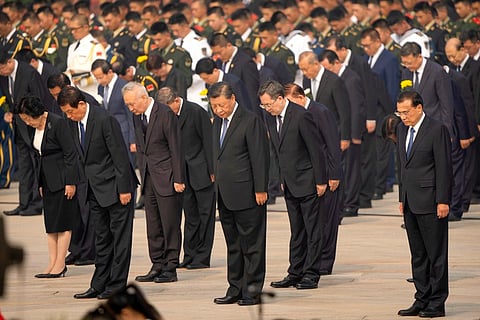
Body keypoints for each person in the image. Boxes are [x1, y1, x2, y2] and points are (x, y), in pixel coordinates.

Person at [58, 86, 137, 300]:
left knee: (120, 240)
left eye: (70, 111)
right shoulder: (72, 123)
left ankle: (117, 286)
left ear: (82, 104)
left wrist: (124, 189)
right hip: (94, 190)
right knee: (102, 239)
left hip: (117, 188)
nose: (69, 116)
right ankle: (99, 284)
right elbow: (75, 156)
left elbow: (119, 156)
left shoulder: (104, 120)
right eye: (66, 112)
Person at [259, 80, 327, 290]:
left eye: (269, 104)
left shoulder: (301, 115)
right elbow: (277, 152)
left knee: (312, 230)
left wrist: (321, 180)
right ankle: (295, 272)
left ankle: (311, 274)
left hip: (308, 181)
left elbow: (315, 150)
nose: (267, 109)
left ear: (280, 98)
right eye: (263, 106)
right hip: (289, 183)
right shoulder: (270, 118)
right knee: (297, 230)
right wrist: (280, 177)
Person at [209, 81, 269, 306]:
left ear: (233, 98)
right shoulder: (218, 122)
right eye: (215, 106)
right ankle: (235, 287)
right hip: (225, 194)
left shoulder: (250, 120)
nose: (219, 110)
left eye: (222, 105)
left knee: (252, 245)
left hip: (248, 193)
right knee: (233, 244)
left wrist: (261, 188)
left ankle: (252, 291)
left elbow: (259, 156)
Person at [396, 91, 452, 318]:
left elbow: (444, 167)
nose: (403, 117)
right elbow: (402, 165)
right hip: (410, 201)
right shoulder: (401, 130)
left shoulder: (436, 129)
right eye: (399, 113)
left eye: (406, 112)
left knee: (435, 254)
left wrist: (443, 200)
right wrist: (402, 196)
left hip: (431, 201)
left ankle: (437, 302)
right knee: (418, 254)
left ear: (419, 108)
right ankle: (421, 298)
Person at [122, 82, 185, 284]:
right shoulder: (136, 116)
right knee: (153, 225)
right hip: (149, 177)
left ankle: (170, 267)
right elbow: (142, 148)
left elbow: (176, 147)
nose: (130, 108)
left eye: (132, 104)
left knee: (170, 224)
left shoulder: (165, 114)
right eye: (128, 105)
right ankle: (157, 263)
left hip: (167, 177)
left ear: (143, 97)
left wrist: (178, 178)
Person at [15, 96, 80, 279]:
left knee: (64, 223)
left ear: (37, 113)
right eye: (24, 120)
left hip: (62, 180)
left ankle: (61, 264)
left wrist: (71, 181)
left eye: (29, 119)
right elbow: (39, 156)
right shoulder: (33, 128)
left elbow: (70, 153)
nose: (27, 123)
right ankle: (52, 262)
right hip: (47, 180)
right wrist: (41, 182)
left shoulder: (58, 123)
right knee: (51, 224)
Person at [283, 83, 342, 275]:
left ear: (300, 98)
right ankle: (311, 261)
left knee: (327, 222)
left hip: (326, 172)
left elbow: (332, 143)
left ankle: (325, 262)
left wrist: (334, 174)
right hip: (310, 175)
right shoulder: (294, 115)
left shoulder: (319, 111)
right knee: (312, 222)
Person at [156, 87, 215, 269]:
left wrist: (213, 170)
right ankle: (189, 255)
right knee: (190, 216)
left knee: (205, 215)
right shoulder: (167, 115)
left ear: (175, 100)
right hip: (183, 174)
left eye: (168, 108)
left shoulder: (195, 112)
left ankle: (202, 257)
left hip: (202, 171)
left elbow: (208, 141)